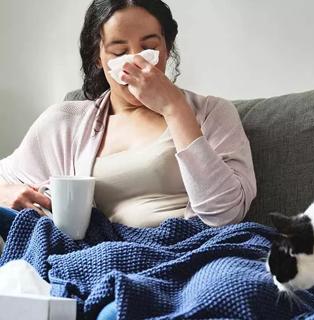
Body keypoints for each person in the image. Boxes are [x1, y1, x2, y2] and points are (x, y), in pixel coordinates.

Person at [0, 1, 256, 317]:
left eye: (149, 48)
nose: (136, 63)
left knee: (235, 287)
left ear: (167, 48)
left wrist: (175, 109)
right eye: (119, 52)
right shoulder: (65, 122)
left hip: (187, 253)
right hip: (103, 255)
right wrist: (5, 191)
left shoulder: (211, 113)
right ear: (98, 57)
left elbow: (225, 214)